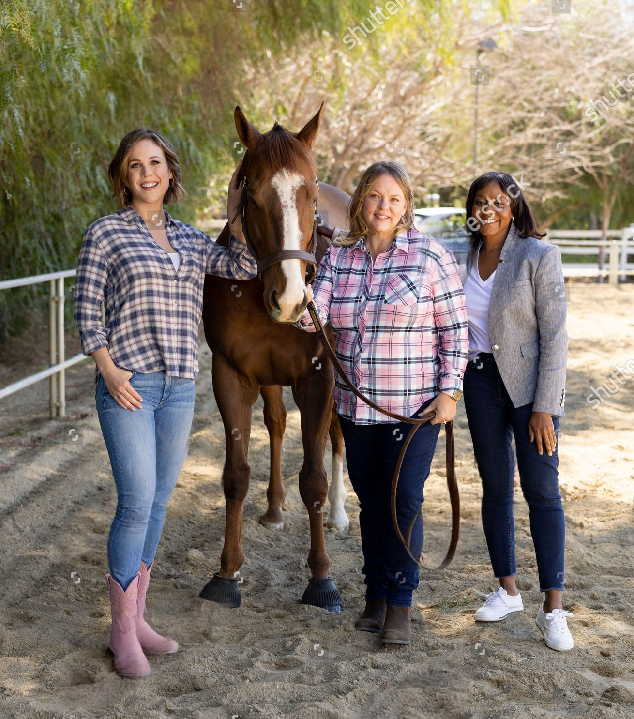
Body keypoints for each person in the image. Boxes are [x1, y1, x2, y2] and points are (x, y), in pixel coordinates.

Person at [74, 129, 256, 677]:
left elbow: (243, 267)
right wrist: (109, 371)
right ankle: (120, 632)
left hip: (179, 387)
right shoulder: (105, 234)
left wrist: (239, 208)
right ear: (123, 177)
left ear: (171, 173)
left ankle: (139, 618)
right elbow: (87, 314)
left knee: (156, 504)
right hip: (129, 386)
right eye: (135, 165)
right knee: (134, 503)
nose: (147, 173)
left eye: (155, 163)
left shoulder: (192, 239)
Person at [297, 161, 468, 645]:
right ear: (359, 204)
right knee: (372, 504)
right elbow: (316, 319)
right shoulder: (340, 258)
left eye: (393, 198)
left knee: (404, 503)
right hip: (355, 408)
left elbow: (454, 330)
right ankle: (374, 595)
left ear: (406, 205)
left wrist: (449, 391)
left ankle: (400, 603)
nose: (383, 207)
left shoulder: (430, 257)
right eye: (374, 196)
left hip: (413, 409)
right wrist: (298, 294)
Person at [461, 171, 573, 651]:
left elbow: (557, 336)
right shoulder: (459, 254)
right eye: (480, 201)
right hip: (480, 381)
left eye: (497, 202)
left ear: (513, 209)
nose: (488, 209)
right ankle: (508, 590)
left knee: (542, 491)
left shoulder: (537, 256)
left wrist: (545, 407)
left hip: (530, 389)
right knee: (495, 486)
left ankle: (554, 608)